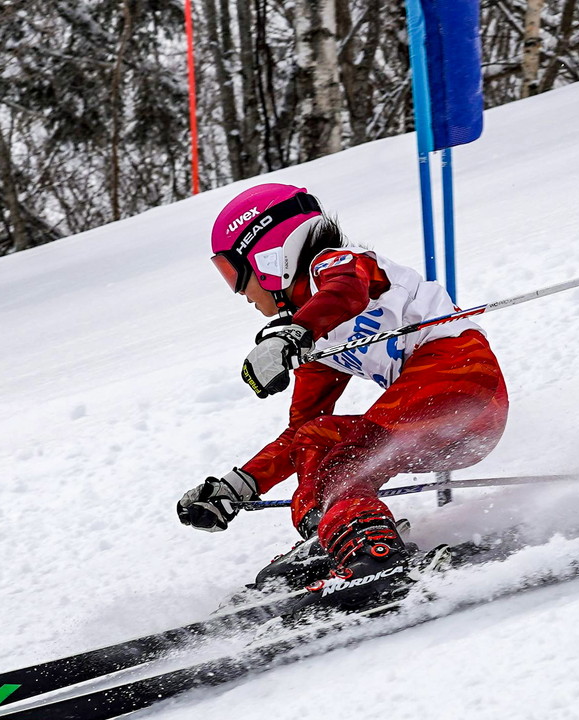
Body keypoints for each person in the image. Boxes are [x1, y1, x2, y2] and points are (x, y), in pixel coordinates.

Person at [177, 183, 509, 611]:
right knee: (317, 440)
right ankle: (339, 536)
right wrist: (238, 486)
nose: (240, 293)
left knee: (341, 464)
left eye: (234, 273)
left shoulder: (336, 265)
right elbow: (302, 435)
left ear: (268, 257)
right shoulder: (314, 339)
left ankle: (374, 551)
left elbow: (347, 291)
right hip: (444, 428)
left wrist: (291, 334)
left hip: (459, 377)